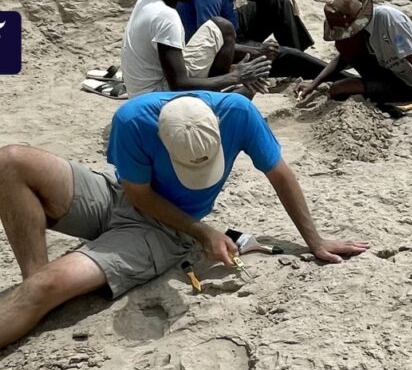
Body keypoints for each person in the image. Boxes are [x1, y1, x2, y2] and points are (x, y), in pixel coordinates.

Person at [0, 92, 369, 349]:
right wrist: (203, 230)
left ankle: (37, 295)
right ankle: (34, 286)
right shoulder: (132, 118)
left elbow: (280, 174)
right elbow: (138, 192)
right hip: (121, 195)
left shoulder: (238, 113)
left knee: (46, 288)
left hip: (164, 231)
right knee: (11, 160)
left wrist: (315, 241)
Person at [297, 0, 412, 122]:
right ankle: (369, 85)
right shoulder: (364, 32)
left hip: (411, 83)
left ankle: (376, 90)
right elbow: (342, 58)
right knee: (343, 49)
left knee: (337, 89)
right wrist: (314, 84)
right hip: (390, 69)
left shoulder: (388, 19)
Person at [121, 0, 271, 98]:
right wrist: (235, 77)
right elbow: (179, 85)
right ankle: (216, 104)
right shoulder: (165, 16)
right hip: (154, 99)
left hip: (142, 93)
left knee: (222, 27)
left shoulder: (148, 1)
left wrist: (232, 72)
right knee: (247, 92)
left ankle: (216, 96)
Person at [176, 0, 349, 82]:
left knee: (277, 2)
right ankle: (344, 77)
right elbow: (209, 45)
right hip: (220, 49)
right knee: (289, 55)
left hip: (232, 27)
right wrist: (257, 51)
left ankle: (297, 69)